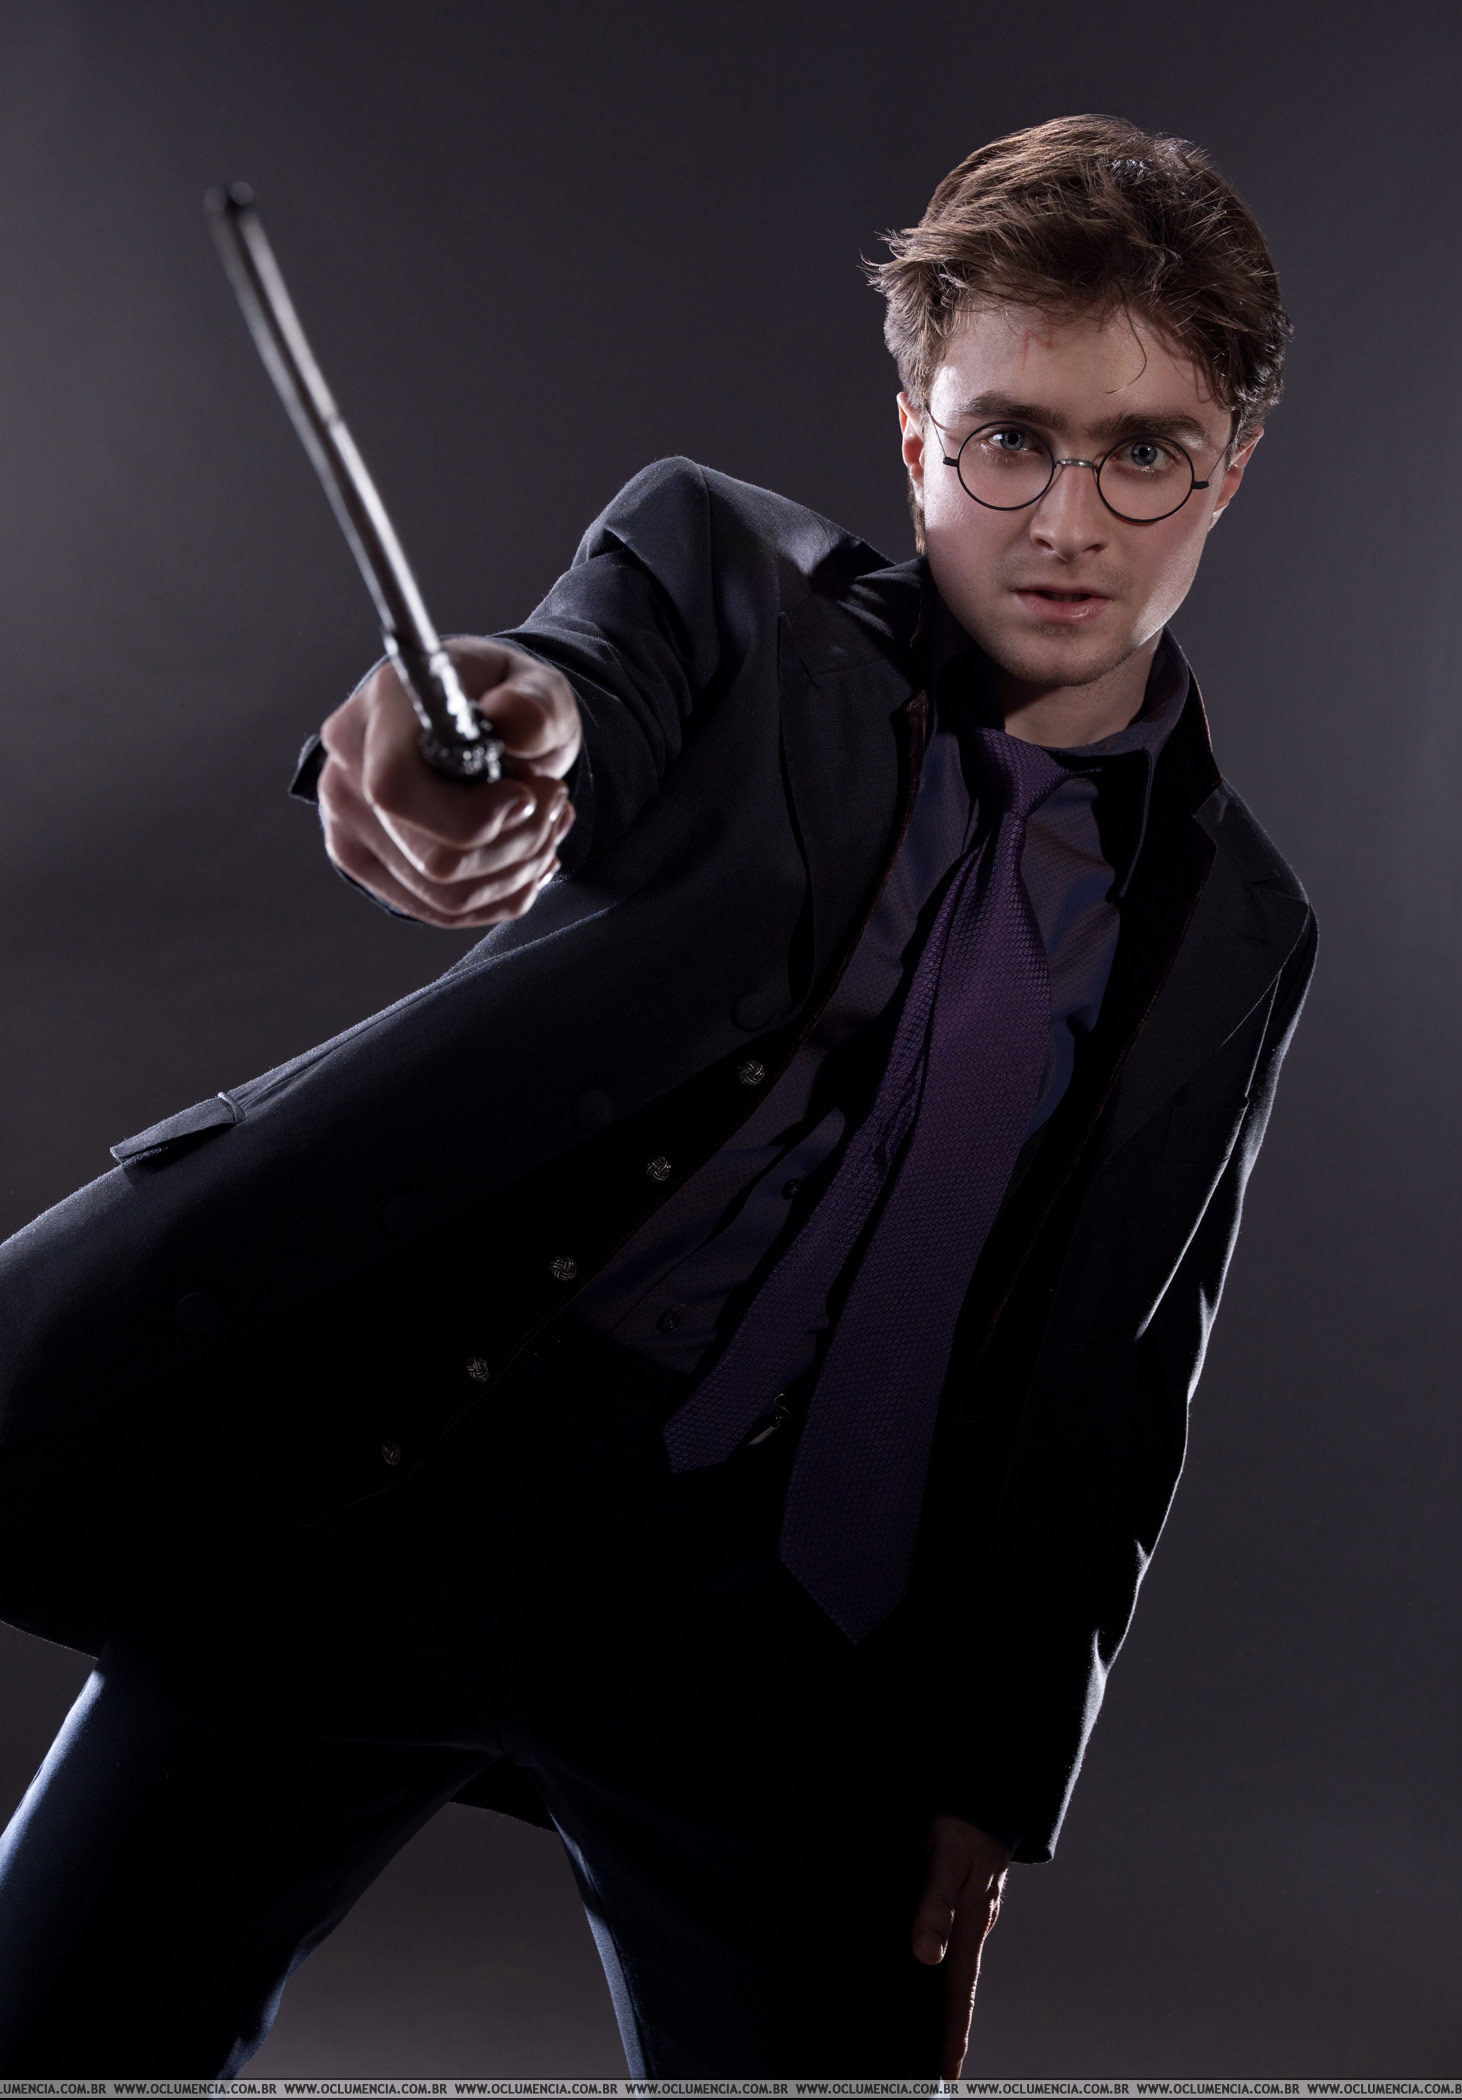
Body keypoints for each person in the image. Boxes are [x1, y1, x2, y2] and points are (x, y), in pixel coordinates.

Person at [0, 114, 1314, 2077]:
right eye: (1006, 440)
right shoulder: (730, 591)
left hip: (781, 1620)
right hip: (402, 1484)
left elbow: (1118, 1377)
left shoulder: (1241, 924)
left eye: (1144, 453)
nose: (1067, 520)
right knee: (45, 2032)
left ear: (1228, 468)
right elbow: (567, 694)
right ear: (915, 443)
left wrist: (995, 1782)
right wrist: (487, 745)